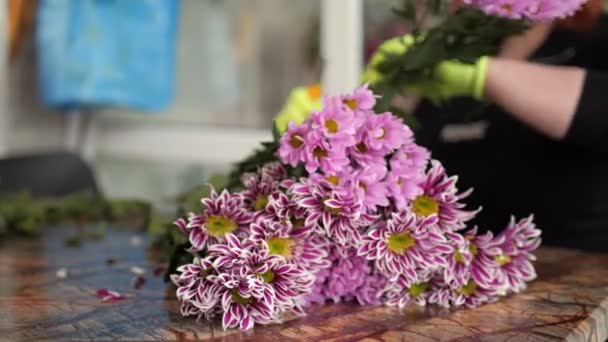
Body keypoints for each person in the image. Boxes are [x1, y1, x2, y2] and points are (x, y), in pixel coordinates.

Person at [389, 0, 608, 251]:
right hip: (462, 270)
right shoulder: (453, 53)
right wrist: (390, 103)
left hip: (581, 277)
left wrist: (483, 76)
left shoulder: (597, 41)